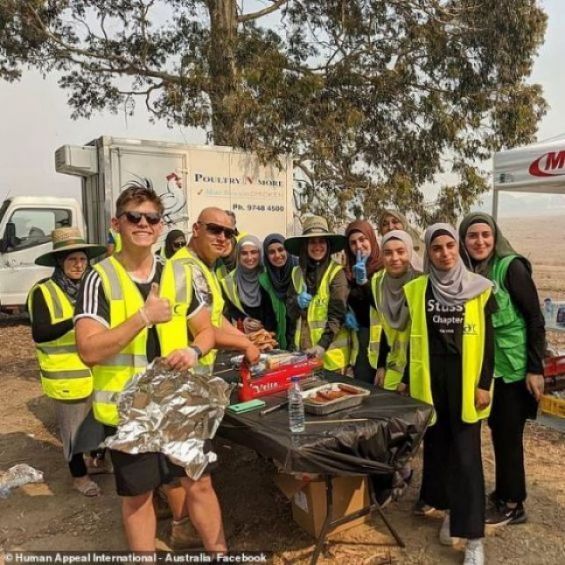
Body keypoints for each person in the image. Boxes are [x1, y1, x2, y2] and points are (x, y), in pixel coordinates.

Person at [74, 186, 226, 552]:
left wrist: (193, 350)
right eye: (133, 217)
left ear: (160, 227)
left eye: (151, 218)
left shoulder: (179, 275)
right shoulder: (99, 278)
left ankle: (220, 554)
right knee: (139, 498)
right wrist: (142, 317)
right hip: (130, 412)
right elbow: (88, 350)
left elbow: (207, 331)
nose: (143, 224)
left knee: (199, 484)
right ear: (117, 223)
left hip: (179, 405)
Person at [403, 223, 495, 565]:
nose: (444, 253)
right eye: (436, 248)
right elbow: (399, 329)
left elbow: (489, 343)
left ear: (458, 248)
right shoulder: (416, 290)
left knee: (467, 457)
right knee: (438, 449)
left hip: (467, 381)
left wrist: (484, 384)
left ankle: (473, 538)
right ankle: (448, 513)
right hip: (431, 382)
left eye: (450, 246)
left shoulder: (480, 289)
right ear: (428, 253)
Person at [459, 212, 545, 527]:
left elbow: (535, 318)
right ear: (463, 241)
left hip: (516, 369)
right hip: (489, 370)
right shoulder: (470, 274)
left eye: (485, 234)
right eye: (472, 236)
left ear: (495, 237)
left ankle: (513, 503)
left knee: (509, 436)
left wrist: (535, 369)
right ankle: (504, 492)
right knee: (498, 432)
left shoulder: (512, 268)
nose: (479, 241)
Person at [28, 227, 107, 497]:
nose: (78, 265)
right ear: (60, 263)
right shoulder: (43, 292)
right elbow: (40, 333)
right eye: (72, 260)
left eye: (83, 259)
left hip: (96, 372)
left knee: (98, 423)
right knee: (73, 433)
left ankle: (94, 462)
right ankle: (79, 477)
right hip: (66, 377)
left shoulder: (91, 289)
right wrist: (77, 317)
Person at [285, 216, 350, 371]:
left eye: (321, 241)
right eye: (312, 242)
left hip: (330, 357)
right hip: (303, 352)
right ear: (305, 246)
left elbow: (337, 316)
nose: (317, 246)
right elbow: (290, 311)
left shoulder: (336, 272)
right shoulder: (296, 273)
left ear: (327, 245)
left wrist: (322, 346)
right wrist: (296, 303)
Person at [372, 230, 420, 391]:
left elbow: (420, 335)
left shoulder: (420, 283)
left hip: (417, 370)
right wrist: (380, 365)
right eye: (388, 253)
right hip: (393, 366)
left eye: (401, 251)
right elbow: (384, 329)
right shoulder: (378, 282)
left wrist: (407, 379)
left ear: (410, 252)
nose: (395, 258)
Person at [343, 220, 383, 382]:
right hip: (359, 342)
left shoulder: (384, 268)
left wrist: (364, 283)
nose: (358, 246)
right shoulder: (347, 272)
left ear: (371, 239)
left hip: (382, 343)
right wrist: (345, 313)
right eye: (353, 243)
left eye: (362, 239)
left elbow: (382, 306)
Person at [221, 235, 277, 335]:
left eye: (254, 252)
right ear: (238, 255)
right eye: (244, 253)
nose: (249, 257)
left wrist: (265, 330)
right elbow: (231, 308)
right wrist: (244, 320)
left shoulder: (269, 275)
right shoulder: (229, 281)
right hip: (243, 336)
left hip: (271, 336)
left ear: (260, 253)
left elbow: (275, 308)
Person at [259, 233, 298, 349]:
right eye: (271, 252)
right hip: (277, 344)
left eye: (281, 249)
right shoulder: (264, 280)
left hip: (300, 342)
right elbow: (267, 316)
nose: (277, 255)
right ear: (266, 255)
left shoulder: (299, 272)